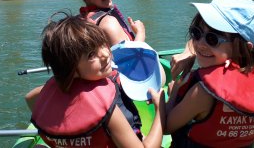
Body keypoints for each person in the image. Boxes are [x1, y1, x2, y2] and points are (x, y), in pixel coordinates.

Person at [31, 14, 165, 148]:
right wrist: (160, 109)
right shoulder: (103, 103)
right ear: (70, 68)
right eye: (91, 55)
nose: (106, 54)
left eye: (103, 44)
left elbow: (29, 98)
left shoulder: (51, 90)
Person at [166, 0, 254, 148]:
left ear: (243, 48)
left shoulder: (203, 91)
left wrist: (175, 89)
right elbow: (196, 44)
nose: (200, 44)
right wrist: (188, 52)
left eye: (213, 39)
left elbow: (166, 127)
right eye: (196, 32)